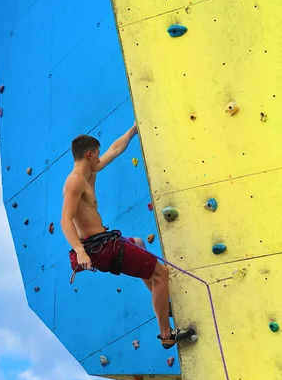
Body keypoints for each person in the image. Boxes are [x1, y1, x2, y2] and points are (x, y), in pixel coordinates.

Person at [60, 125, 192, 350]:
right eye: (97, 154)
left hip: (105, 243)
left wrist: (133, 131)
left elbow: (115, 149)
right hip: (101, 248)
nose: (101, 158)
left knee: (139, 243)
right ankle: (166, 334)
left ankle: (161, 304)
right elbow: (65, 220)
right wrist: (80, 251)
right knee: (162, 274)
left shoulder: (89, 174)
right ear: (89, 154)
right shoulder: (74, 182)